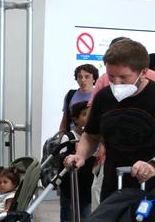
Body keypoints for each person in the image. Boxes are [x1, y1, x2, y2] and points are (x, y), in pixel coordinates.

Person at [66, 39, 155, 202]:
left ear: (143, 72)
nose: (117, 83)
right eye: (111, 77)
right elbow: (91, 135)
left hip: (149, 188)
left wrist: (152, 165)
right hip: (114, 186)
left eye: (124, 77)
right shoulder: (103, 97)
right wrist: (80, 155)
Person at [57, 101, 94, 222]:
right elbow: (62, 159)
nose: (88, 118)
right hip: (70, 188)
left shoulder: (95, 140)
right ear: (75, 119)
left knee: (84, 221)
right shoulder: (69, 137)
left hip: (86, 188)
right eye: (84, 115)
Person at [58, 64, 99, 136]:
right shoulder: (70, 95)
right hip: (73, 137)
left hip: (93, 137)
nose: (83, 80)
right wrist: (61, 135)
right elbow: (65, 119)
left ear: (94, 79)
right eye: (79, 77)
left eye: (87, 77)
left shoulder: (99, 95)